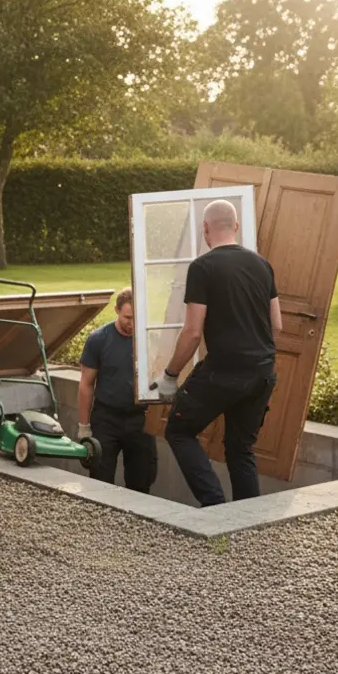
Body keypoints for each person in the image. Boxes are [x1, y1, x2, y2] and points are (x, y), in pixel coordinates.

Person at [154, 199, 282, 506]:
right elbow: (277, 325)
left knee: (179, 430)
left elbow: (192, 332)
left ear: (205, 229)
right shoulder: (263, 265)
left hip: (224, 372)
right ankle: (246, 524)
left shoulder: (202, 267)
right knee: (241, 449)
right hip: (263, 374)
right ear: (236, 227)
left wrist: (170, 375)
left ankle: (215, 507)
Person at [77, 287, 158, 493]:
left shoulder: (149, 339)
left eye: (135, 318)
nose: (131, 324)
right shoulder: (99, 339)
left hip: (140, 419)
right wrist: (83, 426)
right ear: (116, 310)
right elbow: (86, 384)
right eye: (127, 317)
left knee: (142, 481)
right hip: (106, 418)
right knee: (100, 479)